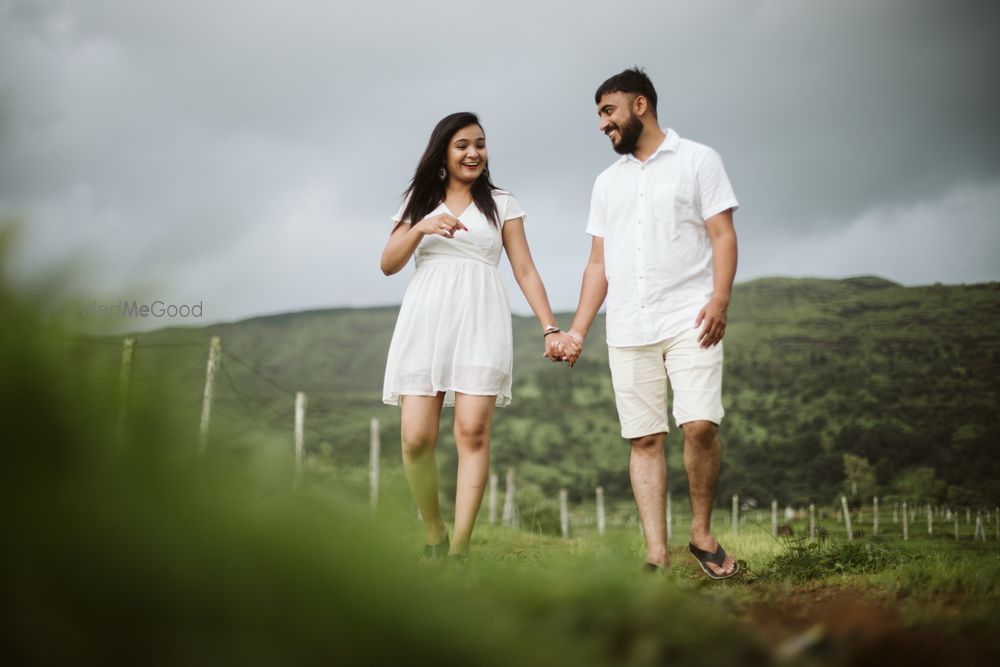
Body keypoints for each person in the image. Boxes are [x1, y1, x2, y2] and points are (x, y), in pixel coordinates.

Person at [557, 68, 741, 578]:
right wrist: (578, 331)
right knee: (644, 439)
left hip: (692, 318)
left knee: (700, 425)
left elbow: (723, 236)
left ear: (639, 106)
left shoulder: (699, 160)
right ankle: (655, 555)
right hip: (629, 327)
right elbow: (598, 264)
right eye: (599, 114)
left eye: (608, 111)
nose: (602, 124)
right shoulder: (605, 183)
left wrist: (721, 299)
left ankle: (701, 536)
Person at [380, 112, 579, 562]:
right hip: (425, 320)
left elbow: (524, 269)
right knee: (416, 438)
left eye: (480, 144)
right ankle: (433, 530)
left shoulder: (502, 202)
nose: (473, 153)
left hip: (481, 319)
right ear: (443, 152)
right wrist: (421, 226)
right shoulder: (419, 199)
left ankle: (459, 548)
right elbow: (388, 263)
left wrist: (550, 326)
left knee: (472, 432)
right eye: (462, 145)